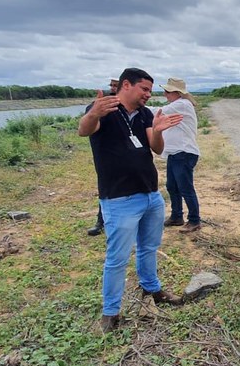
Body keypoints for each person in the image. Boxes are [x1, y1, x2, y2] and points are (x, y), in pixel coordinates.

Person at [78, 68, 184, 333]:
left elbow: (156, 148)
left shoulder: (146, 114)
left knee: (149, 247)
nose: (148, 95)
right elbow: (84, 130)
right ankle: (110, 313)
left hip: (150, 194)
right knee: (117, 257)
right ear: (127, 85)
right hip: (119, 198)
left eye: (150, 91)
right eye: (144, 90)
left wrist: (158, 131)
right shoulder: (104, 108)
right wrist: (93, 114)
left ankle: (153, 289)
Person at [159, 77, 201, 233]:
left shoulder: (182, 104)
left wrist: (136, 106)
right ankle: (177, 216)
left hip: (183, 153)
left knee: (185, 188)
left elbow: (157, 112)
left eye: (168, 91)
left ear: (177, 92)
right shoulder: (178, 105)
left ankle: (194, 220)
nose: (165, 94)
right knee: (172, 186)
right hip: (175, 153)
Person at [87, 78, 121, 237]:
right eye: (112, 85)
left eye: (116, 85)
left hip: (123, 154)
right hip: (105, 156)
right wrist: (95, 111)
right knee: (105, 187)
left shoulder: (126, 107)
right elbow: (87, 125)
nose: (113, 88)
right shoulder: (98, 105)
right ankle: (101, 221)